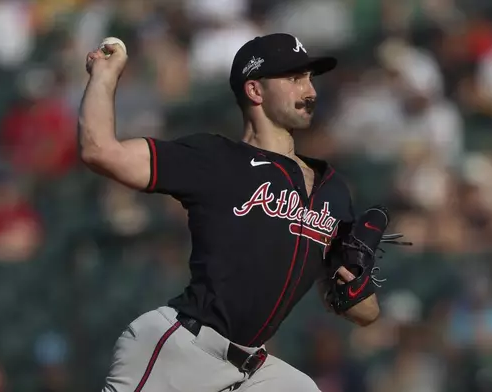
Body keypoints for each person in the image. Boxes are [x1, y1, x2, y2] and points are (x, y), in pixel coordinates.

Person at [79, 33, 381, 392]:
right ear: (255, 91)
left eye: (310, 78)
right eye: (294, 79)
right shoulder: (216, 159)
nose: (310, 91)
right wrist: (104, 74)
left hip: (251, 369)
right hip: (182, 350)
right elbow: (100, 151)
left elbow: (365, 313)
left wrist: (356, 287)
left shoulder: (333, 191)